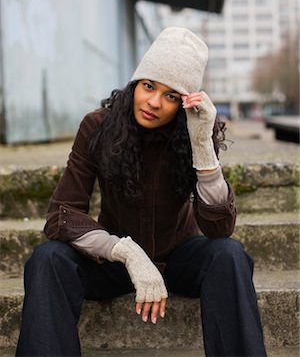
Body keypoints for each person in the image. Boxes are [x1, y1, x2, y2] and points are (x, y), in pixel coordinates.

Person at [16, 27, 267, 357]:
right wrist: (126, 252)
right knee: (47, 258)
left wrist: (203, 145)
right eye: (149, 86)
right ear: (136, 83)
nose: (153, 102)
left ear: (183, 103)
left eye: (171, 95)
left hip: (178, 256)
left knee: (230, 254)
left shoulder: (193, 132)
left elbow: (219, 228)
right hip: (113, 258)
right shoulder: (98, 126)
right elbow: (61, 215)